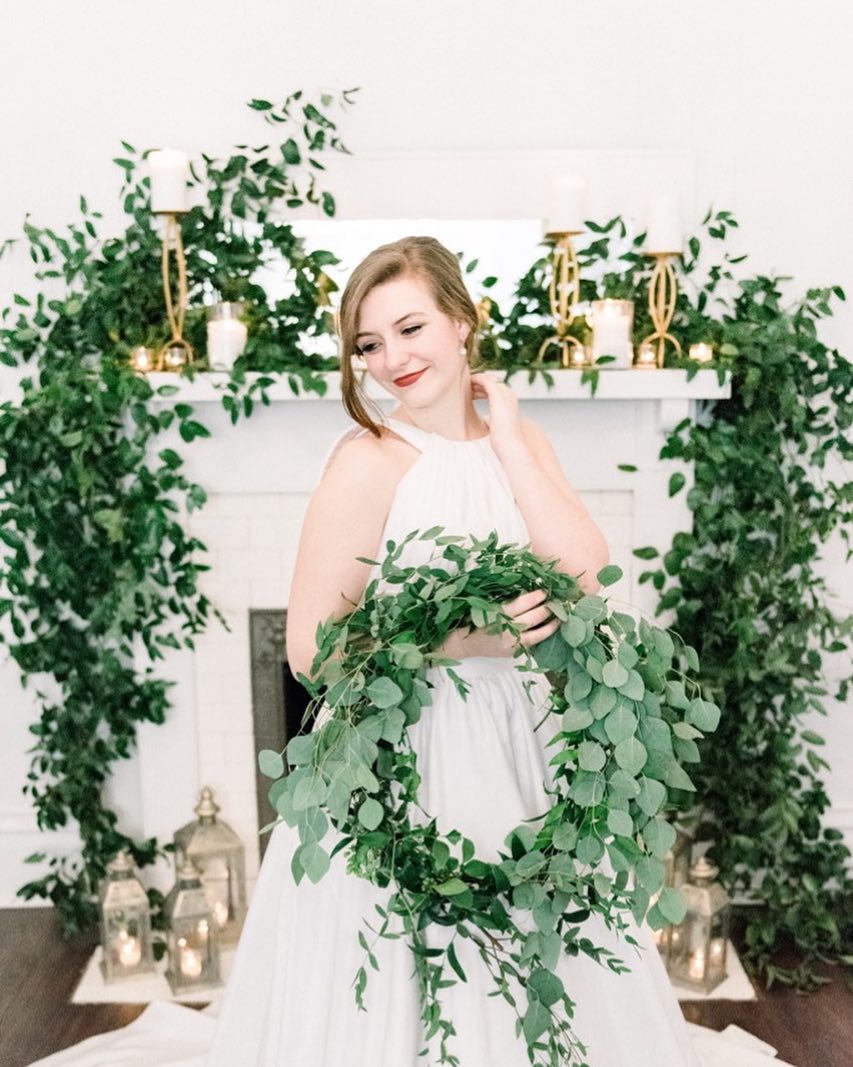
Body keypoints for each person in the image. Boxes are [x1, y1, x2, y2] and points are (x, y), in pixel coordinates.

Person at [29, 238, 787, 1067]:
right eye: (367, 343)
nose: (390, 359)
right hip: (404, 754)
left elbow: (582, 572)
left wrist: (507, 436)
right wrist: (467, 635)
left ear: (463, 322)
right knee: (411, 959)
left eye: (409, 328)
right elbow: (310, 649)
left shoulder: (518, 443)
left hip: (523, 748)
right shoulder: (368, 461)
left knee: (530, 947)